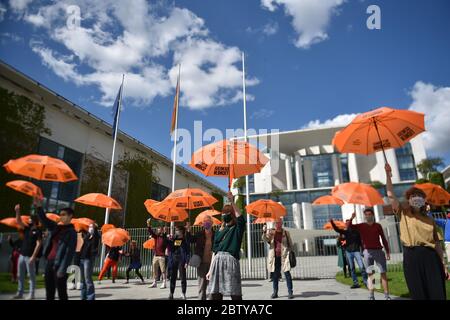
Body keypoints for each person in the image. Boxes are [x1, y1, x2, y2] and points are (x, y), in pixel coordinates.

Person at [385, 163, 448, 300]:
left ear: (424, 200)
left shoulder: (430, 219)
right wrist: (388, 175)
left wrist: (443, 265)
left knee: (436, 291)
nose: (416, 198)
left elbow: (437, 243)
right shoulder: (403, 212)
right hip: (411, 256)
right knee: (418, 292)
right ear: (408, 199)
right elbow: (390, 195)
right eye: (413, 196)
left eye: (419, 196)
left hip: (431, 257)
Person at [35, 196, 77, 300]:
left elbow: (69, 252)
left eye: (64, 215)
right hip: (49, 262)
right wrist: (39, 207)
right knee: (49, 292)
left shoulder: (71, 232)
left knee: (62, 293)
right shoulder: (56, 228)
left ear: (70, 216)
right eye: (60, 215)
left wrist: (62, 269)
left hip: (59, 265)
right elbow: (45, 220)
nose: (61, 217)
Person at [206, 192, 246, 300]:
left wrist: (232, 201)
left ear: (232, 214)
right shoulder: (219, 230)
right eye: (223, 213)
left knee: (235, 292)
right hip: (217, 261)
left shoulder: (237, 228)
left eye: (227, 213)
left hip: (230, 261)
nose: (224, 215)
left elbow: (241, 219)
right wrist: (210, 270)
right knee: (216, 294)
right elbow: (215, 251)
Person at [347, 208, 391, 300]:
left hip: (378, 251)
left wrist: (387, 251)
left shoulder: (378, 226)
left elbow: (383, 238)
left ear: (373, 215)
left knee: (383, 273)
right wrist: (352, 218)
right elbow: (349, 227)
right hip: (367, 252)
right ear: (364, 216)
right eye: (366, 214)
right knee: (370, 275)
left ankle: (387, 295)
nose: (368, 216)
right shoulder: (361, 226)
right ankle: (371, 296)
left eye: (369, 214)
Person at [12, 204, 42, 300]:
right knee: (20, 275)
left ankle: (31, 294)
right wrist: (17, 211)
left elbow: (39, 244)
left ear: (34, 221)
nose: (28, 220)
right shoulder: (26, 228)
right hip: (22, 255)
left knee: (31, 276)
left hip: (30, 257)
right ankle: (20, 293)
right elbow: (18, 221)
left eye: (30, 219)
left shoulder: (38, 231)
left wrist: (33, 257)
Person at [330, 219, 368, 288]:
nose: (347, 224)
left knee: (362, 267)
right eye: (346, 223)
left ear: (351, 224)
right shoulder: (345, 232)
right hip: (348, 252)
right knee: (352, 268)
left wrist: (362, 250)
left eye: (348, 223)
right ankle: (355, 283)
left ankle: (365, 281)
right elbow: (336, 229)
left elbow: (360, 242)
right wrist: (332, 222)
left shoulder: (357, 232)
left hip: (356, 251)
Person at [262, 218, 294, 299]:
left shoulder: (286, 233)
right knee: (275, 276)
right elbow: (265, 239)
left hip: (285, 257)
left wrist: (289, 252)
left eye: (279, 223)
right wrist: (264, 231)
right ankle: (275, 292)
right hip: (275, 257)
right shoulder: (272, 233)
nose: (278, 224)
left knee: (287, 274)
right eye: (276, 223)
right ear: (275, 224)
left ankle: (290, 292)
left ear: (282, 223)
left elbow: (291, 244)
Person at [190, 214, 215, 300]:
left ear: (212, 223)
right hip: (201, 263)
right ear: (202, 224)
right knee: (202, 285)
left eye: (208, 221)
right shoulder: (199, 234)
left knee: (212, 285)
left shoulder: (216, 234)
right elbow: (190, 240)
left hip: (213, 263)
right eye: (204, 222)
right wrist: (188, 231)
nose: (206, 223)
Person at [167, 223, 191, 300]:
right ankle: (171, 293)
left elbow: (187, 251)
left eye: (178, 230)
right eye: (176, 230)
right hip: (174, 260)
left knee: (183, 278)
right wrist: (169, 240)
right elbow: (171, 248)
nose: (176, 231)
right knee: (173, 278)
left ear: (181, 231)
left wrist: (187, 261)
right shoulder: (174, 239)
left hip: (182, 261)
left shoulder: (185, 240)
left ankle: (183, 293)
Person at [79, 223, 100, 300]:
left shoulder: (96, 236)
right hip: (82, 258)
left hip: (88, 259)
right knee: (83, 280)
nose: (90, 228)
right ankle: (83, 297)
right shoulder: (87, 236)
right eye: (89, 227)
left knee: (88, 279)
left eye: (92, 227)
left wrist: (94, 232)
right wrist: (87, 234)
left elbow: (94, 245)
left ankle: (90, 297)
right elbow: (83, 243)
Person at [147, 220, 168, 289]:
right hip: (155, 255)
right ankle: (154, 282)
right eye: (158, 230)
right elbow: (151, 232)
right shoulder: (156, 237)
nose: (158, 231)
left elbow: (165, 239)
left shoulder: (165, 237)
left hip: (162, 256)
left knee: (163, 270)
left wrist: (165, 232)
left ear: (162, 230)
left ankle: (164, 282)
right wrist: (148, 225)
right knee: (154, 269)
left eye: (160, 230)